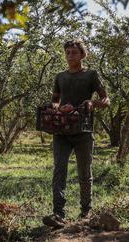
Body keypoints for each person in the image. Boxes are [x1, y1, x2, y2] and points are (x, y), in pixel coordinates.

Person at [42, 39, 110, 229]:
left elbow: (106, 100)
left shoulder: (91, 75)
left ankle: (86, 211)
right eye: (67, 52)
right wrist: (58, 108)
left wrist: (92, 103)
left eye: (74, 52)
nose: (70, 55)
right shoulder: (60, 77)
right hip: (62, 130)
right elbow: (55, 101)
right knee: (59, 170)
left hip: (83, 130)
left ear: (82, 54)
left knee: (84, 172)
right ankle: (58, 213)